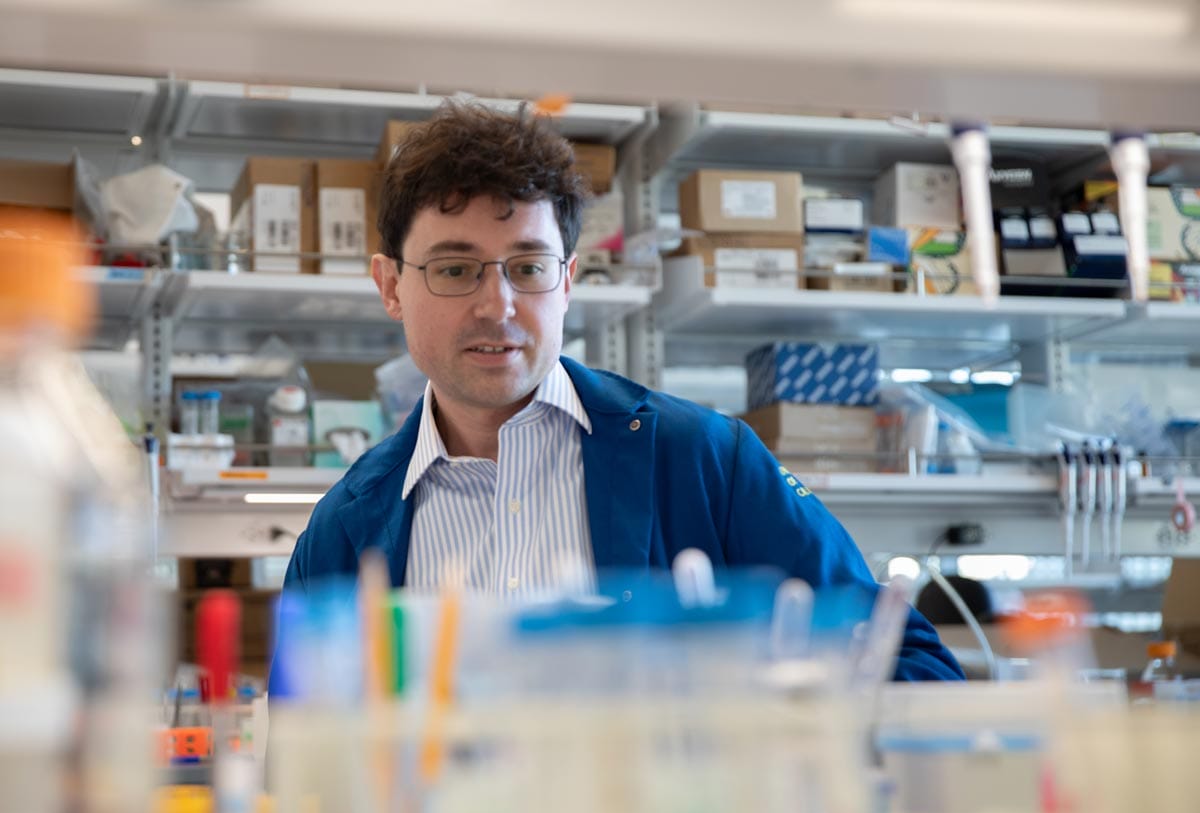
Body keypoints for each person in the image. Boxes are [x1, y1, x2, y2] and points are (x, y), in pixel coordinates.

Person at [275, 101, 964, 682]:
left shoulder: (705, 461)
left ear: (568, 280)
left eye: (528, 266)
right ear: (391, 285)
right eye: (456, 268)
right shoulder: (344, 530)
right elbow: (306, 761)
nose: (498, 304)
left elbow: (909, 662)